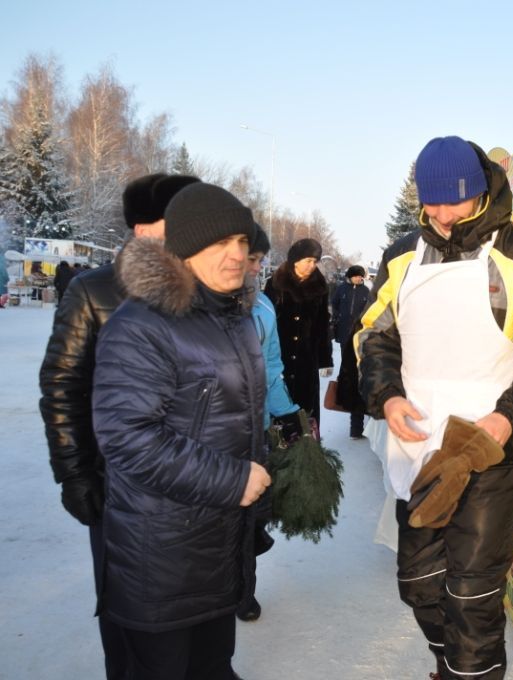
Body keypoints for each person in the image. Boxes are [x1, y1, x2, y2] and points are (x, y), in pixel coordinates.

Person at [356, 135, 513, 679]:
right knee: (417, 583)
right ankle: (450, 662)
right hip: (419, 447)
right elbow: (375, 336)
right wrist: (386, 396)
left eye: (453, 201)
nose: (440, 215)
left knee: (473, 595)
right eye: (430, 203)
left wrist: (509, 416)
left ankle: (469, 670)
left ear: (480, 191)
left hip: (489, 448)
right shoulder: (401, 257)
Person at [91, 182, 268, 680]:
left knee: (213, 667)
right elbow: (127, 436)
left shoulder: (235, 317)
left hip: (217, 547)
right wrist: (233, 480)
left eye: (241, 242)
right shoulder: (143, 323)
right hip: (161, 557)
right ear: (185, 248)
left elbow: (234, 417)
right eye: (219, 244)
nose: (236, 256)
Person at [38, 172, 199, 680]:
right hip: (120, 487)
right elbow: (63, 385)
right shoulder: (93, 290)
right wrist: (75, 473)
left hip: (196, 479)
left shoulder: (203, 287)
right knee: (131, 619)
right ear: (147, 227)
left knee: (193, 614)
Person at [238, 225, 303, 622]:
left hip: (256, 429)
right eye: (252, 258)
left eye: (260, 260)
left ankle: (244, 590)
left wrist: (288, 414)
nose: (256, 267)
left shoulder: (263, 306)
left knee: (252, 519)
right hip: (212, 435)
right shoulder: (199, 303)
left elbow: (273, 367)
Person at [264, 238, 333, 423]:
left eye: (315, 261)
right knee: (278, 406)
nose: (312, 265)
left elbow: (322, 324)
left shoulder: (320, 287)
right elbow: (265, 320)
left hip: (306, 357)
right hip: (279, 355)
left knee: (305, 408)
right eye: (308, 260)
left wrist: (325, 358)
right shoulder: (275, 284)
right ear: (296, 259)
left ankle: (305, 447)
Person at [331, 264, 370, 439]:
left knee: (357, 372)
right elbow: (335, 305)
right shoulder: (342, 289)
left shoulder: (366, 292)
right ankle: (345, 393)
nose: (358, 278)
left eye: (360, 276)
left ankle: (358, 421)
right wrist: (337, 320)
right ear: (350, 276)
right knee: (347, 368)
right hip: (345, 333)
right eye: (355, 276)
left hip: (361, 336)